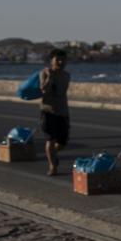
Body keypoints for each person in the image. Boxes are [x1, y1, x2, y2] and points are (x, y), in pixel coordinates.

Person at [40, 48, 70, 176]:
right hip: (48, 111)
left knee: (62, 142)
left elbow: (62, 93)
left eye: (63, 59)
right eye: (57, 59)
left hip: (63, 112)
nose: (61, 61)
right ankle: (52, 166)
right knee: (50, 139)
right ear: (51, 60)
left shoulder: (67, 75)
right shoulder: (45, 73)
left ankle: (53, 154)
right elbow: (43, 90)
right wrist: (49, 77)